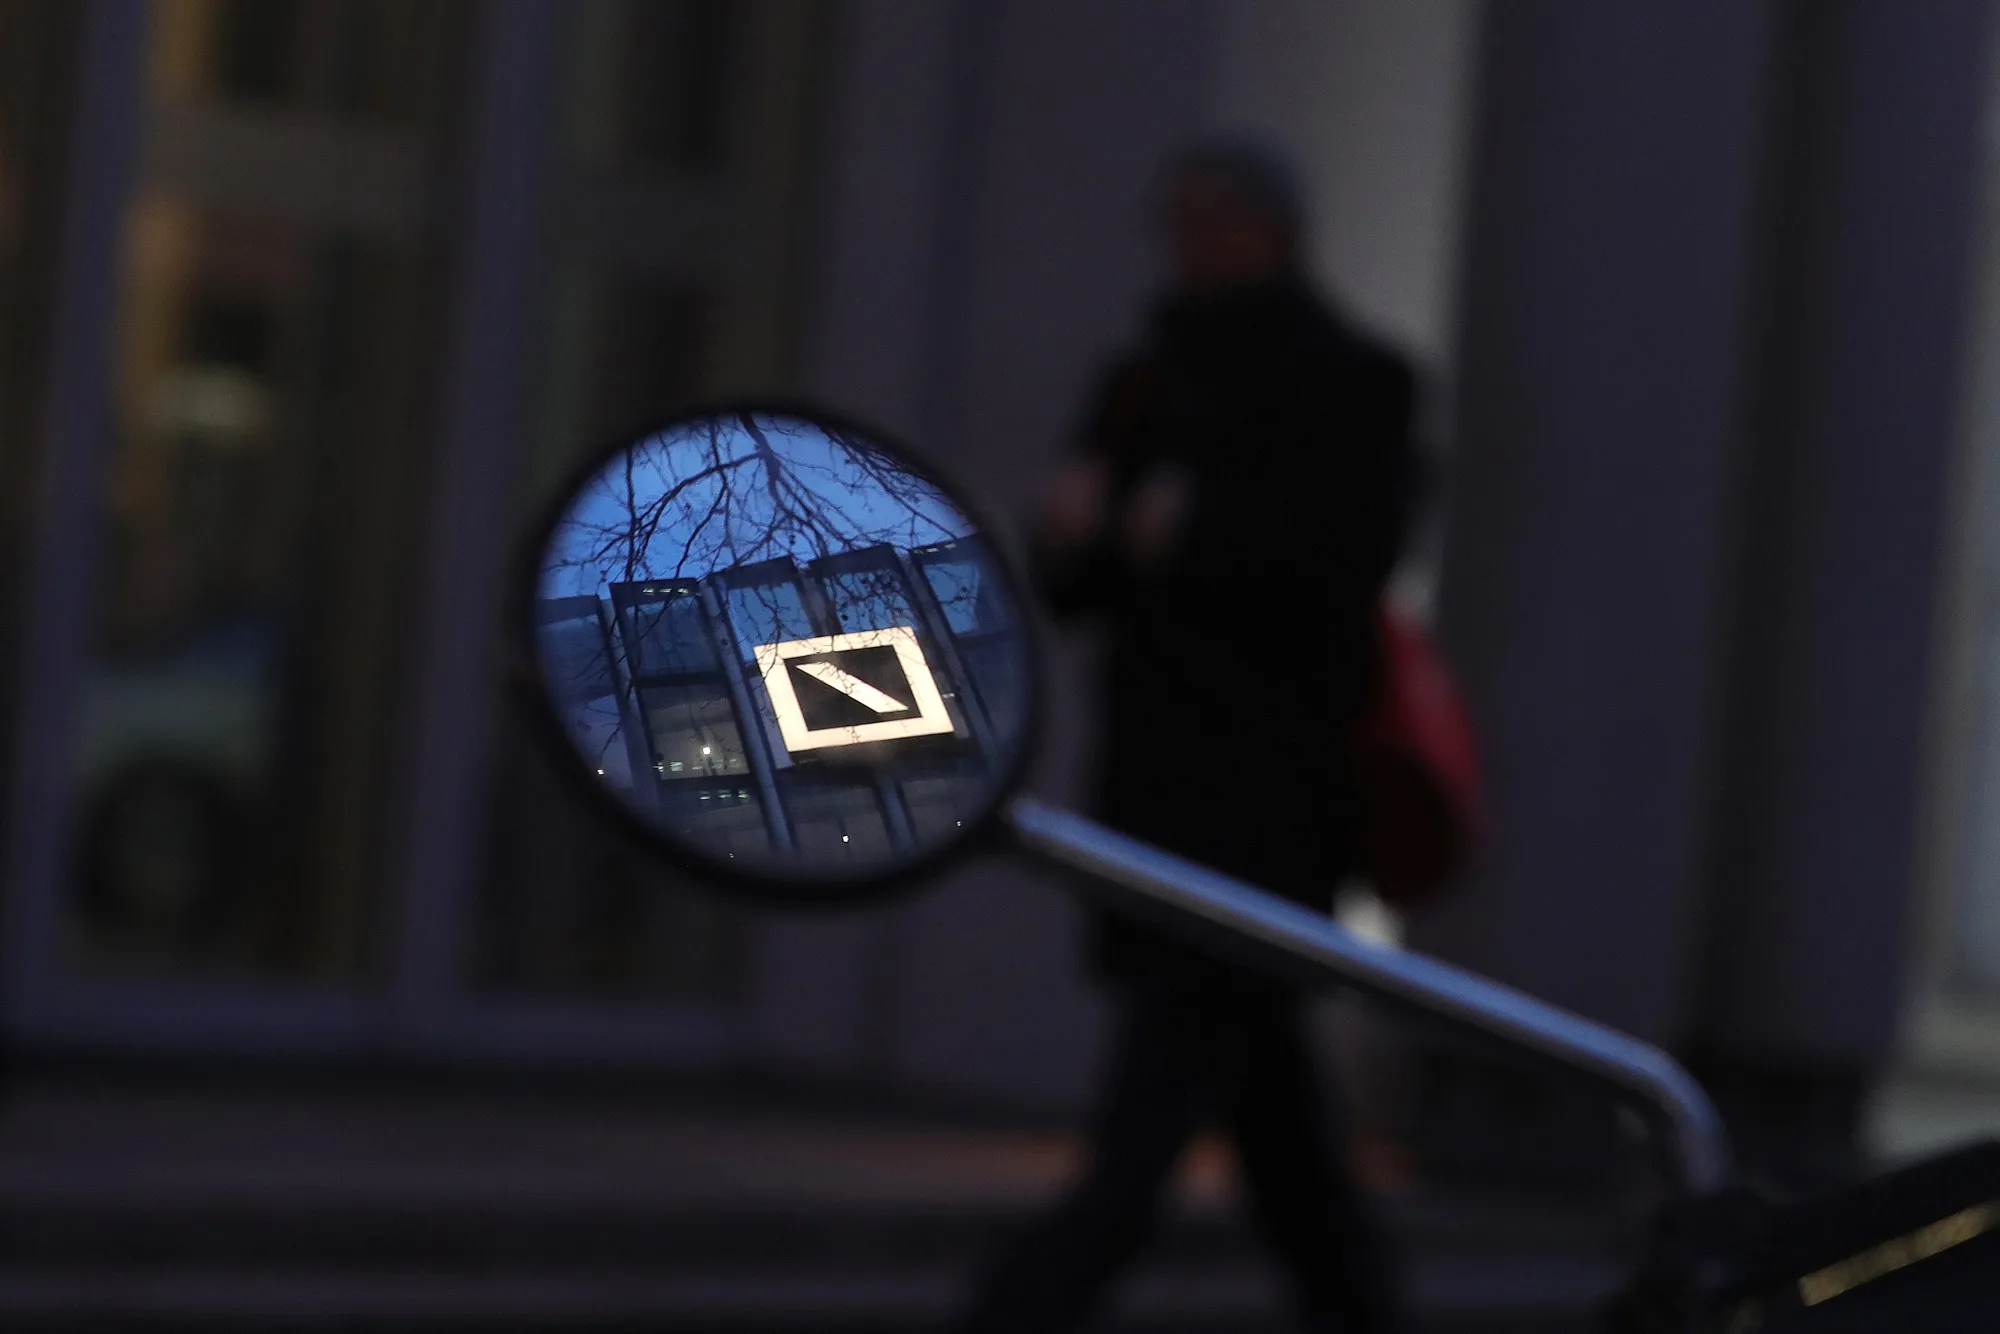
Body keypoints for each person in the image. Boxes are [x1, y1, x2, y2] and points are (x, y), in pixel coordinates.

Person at [959, 137, 1420, 1333]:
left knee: (1175, 1070)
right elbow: (1075, 584)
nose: (1190, 245)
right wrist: (1074, 533)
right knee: (1262, 1099)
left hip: (1267, 790)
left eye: (1212, 220)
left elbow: (1347, 559)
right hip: (1161, 785)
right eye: (1177, 221)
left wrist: (1199, 532)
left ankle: (1031, 1298)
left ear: (1272, 230)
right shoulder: (1142, 381)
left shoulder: (1353, 380)